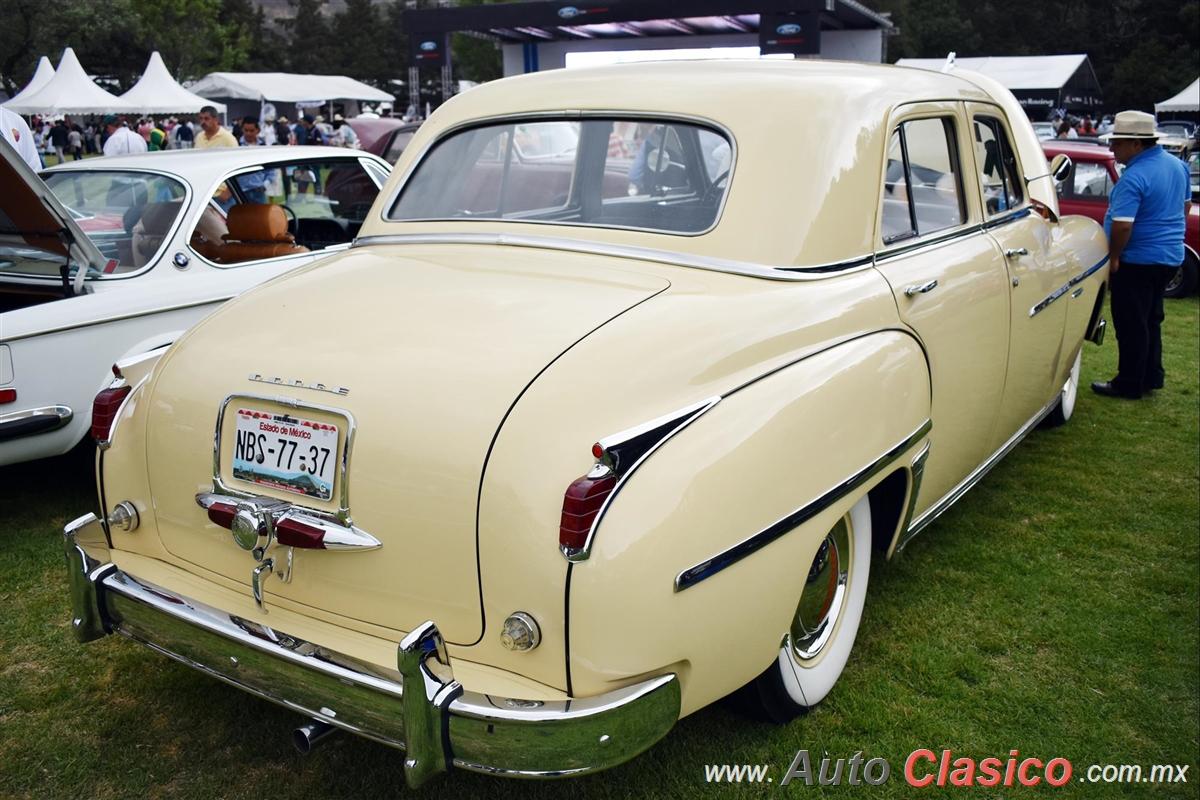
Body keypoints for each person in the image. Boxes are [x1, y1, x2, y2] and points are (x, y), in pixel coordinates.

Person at [1092, 110, 1191, 400]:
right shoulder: (1177, 166)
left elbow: (1123, 225)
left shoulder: (1133, 177)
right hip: (1169, 256)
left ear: (1136, 143)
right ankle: (1151, 376)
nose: (1113, 148)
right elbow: (1184, 208)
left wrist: (1114, 257)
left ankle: (1129, 382)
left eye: (1118, 143)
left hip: (1138, 259)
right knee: (1151, 318)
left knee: (1131, 322)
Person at [236, 117, 271, 204]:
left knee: (261, 216)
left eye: (251, 131)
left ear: (257, 130)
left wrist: (265, 184)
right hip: (240, 190)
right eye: (246, 130)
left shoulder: (263, 147)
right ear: (242, 130)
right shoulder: (237, 145)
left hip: (258, 190)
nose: (248, 133)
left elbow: (271, 169)